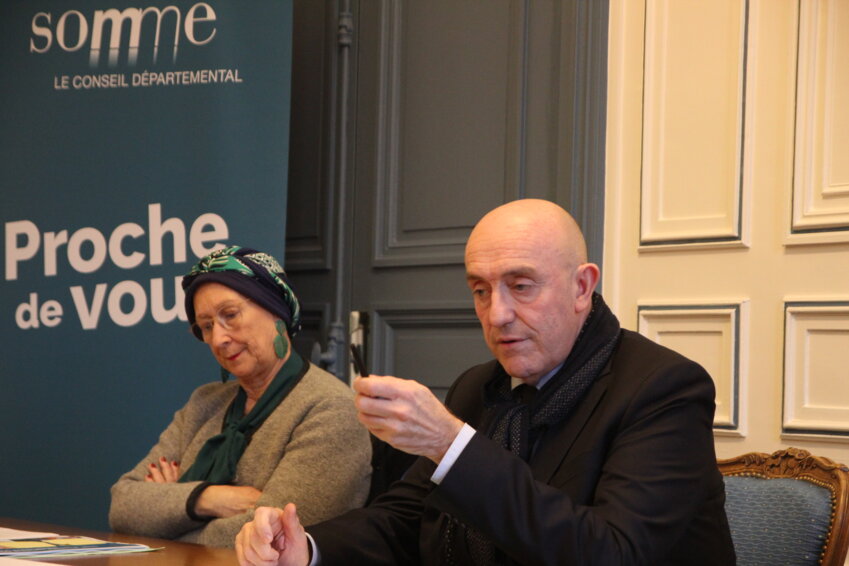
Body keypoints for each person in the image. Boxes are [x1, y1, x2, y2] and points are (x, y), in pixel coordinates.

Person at [235, 199, 736, 565]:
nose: (497, 315)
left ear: (582, 287)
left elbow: (611, 552)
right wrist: (307, 548)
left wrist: (453, 445)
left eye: (521, 286)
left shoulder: (665, 388)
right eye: (480, 289)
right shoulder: (479, 386)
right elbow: (409, 519)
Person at [109, 246, 372, 547]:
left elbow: (274, 537)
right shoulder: (205, 402)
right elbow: (123, 505)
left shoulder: (329, 408)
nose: (219, 339)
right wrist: (206, 499)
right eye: (206, 326)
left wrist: (166, 512)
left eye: (230, 315)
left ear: (276, 310)